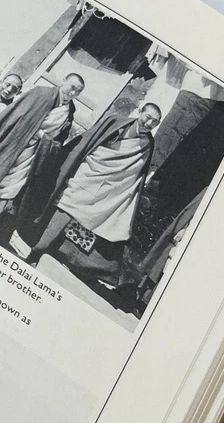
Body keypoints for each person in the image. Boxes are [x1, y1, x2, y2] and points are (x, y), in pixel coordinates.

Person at [27, 103, 162, 286]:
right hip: (87, 176)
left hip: (108, 189)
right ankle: (36, 251)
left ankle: (68, 261)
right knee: (63, 211)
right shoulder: (117, 123)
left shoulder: (147, 144)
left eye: (155, 122)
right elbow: (91, 142)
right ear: (140, 112)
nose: (149, 123)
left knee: (90, 224)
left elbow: (135, 172)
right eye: (148, 117)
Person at [0, 74, 83, 246]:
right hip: (12, 145)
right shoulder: (41, 93)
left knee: (8, 194)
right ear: (64, 81)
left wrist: (43, 138)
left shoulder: (68, 113)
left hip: (31, 158)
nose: (73, 93)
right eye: (72, 87)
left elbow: (57, 144)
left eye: (78, 91)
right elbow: (13, 115)